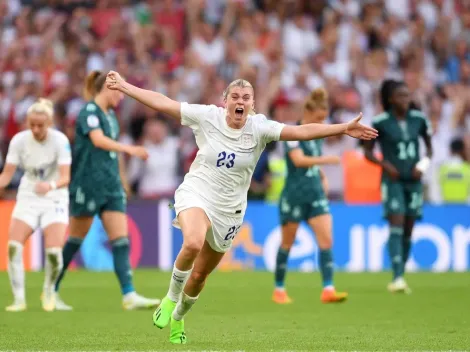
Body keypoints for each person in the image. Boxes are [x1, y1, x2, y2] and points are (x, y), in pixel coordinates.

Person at [105, 71, 378, 344]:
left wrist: (342, 128)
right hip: (197, 191)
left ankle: (178, 316)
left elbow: (301, 131)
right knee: (192, 242)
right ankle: (169, 299)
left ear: (252, 103)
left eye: (246, 98)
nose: (240, 101)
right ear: (225, 101)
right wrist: (126, 86)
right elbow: (163, 103)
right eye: (234, 96)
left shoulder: (259, 128)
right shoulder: (207, 116)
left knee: (200, 275)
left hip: (230, 210)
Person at [53, 71, 160, 311]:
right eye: (119, 92)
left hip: (110, 186)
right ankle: (51, 289)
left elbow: (110, 154)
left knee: (121, 240)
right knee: (75, 240)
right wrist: (129, 149)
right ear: (109, 88)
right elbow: (98, 141)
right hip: (88, 184)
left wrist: (122, 180)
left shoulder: (111, 116)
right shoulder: (88, 112)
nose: (121, 98)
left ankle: (129, 295)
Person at [273, 88, 347, 305]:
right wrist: (326, 161)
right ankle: (279, 289)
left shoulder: (317, 135)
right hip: (295, 195)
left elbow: (311, 161)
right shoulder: (291, 132)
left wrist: (322, 176)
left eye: (323, 118)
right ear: (308, 112)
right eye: (318, 118)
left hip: (315, 192)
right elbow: (298, 160)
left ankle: (328, 289)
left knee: (326, 239)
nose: (322, 122)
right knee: (288, 243)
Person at [0, 99, 71, 312]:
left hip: (55, 196)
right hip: (29, 194)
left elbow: (66, 177)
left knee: (53, 253)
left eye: (40, 125)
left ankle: (48, 291)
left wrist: (49, 185)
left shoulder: (60, 140)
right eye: (32, 124)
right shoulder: (19, 141)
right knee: (13, 247)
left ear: (49, 122)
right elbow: (6, 175)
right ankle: (19, 299)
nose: (36, 129)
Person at [363, 79, 433, 294]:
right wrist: (385, 165)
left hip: (414, 181)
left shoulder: (419, 120)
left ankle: (400, 273)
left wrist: (423, 165)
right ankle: (397, 277)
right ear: (391, 99)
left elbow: (430, 150)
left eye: (407, 95)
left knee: (409, 229)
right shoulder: (380, 122)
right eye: (401, 96)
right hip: (392, 180)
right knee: (397, 222)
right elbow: (367, 152)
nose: (405, 100)